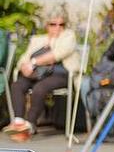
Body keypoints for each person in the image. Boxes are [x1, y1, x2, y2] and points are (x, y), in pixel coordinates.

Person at [4, 8, 80, 142]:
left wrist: (33, 62)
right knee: (17, 85)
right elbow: (24, 58)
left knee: (40, 88)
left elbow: (58, 54)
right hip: (37, 74)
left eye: (61, 24)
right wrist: (24, 66)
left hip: (60, 73)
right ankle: (19, 122)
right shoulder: (38, 40)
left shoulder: (68, 36)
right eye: (53, 24)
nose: (57, 28)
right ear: (47, 26)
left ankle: (30, 125)